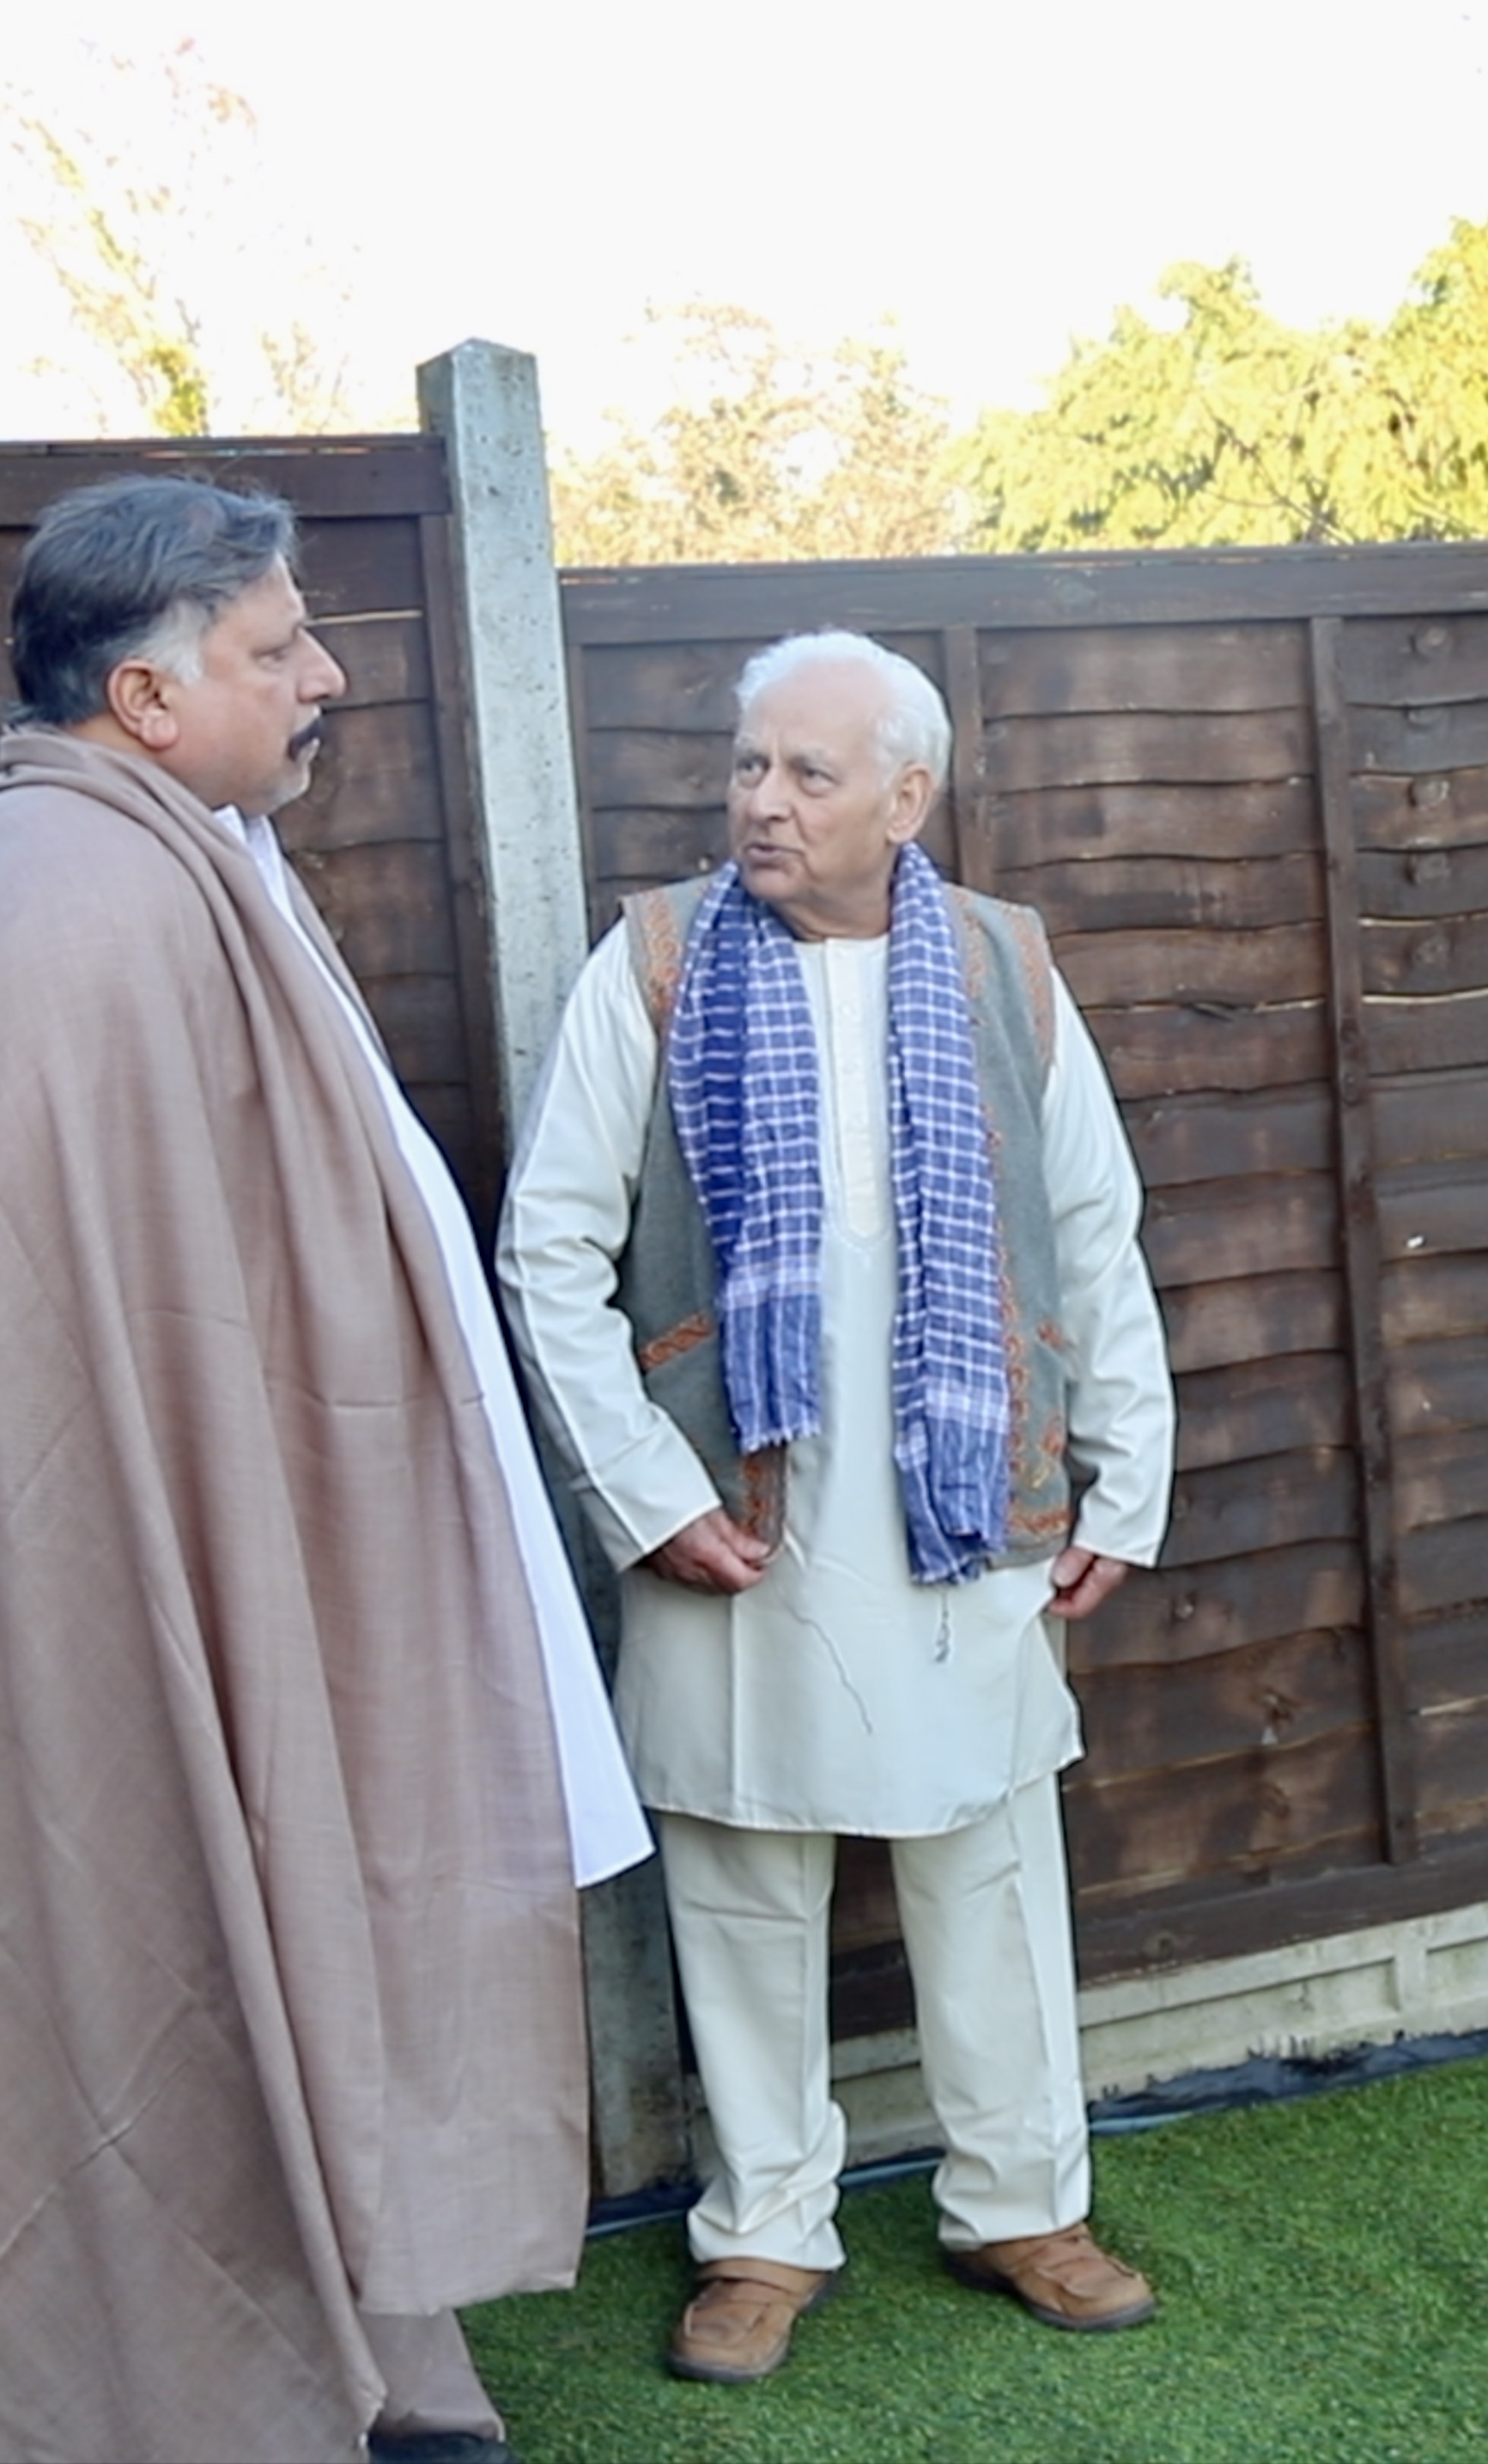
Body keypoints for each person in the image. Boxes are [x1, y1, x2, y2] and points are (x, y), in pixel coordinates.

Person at [0, 475, 647, 2464]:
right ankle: (206, 2402)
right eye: (277, 648)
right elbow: (48, 1357)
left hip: (263, 1546)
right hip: (149, 1592)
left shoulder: (180, 855)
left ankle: (360, 2359)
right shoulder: (69, 907)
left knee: (300, 1954)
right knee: (163, 1948)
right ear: (146, 689)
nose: (325, 676)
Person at [501, 630, 1176, 2387]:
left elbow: (1091, 1230)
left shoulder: (1002, 962)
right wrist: (644, 1497)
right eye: (745, 765)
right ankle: (759, 2232)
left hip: (970, 1498)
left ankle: (1022, 2198)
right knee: (738, 1870)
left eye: (805, 773)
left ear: (905, 795)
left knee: (991, 1856)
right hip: (738, 1512)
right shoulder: (651, 962)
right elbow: (550, 1248)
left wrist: (1126, 1469)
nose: (760, 803)